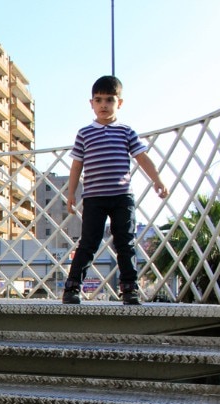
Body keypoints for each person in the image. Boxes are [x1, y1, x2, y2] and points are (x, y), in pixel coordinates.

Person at [62, 75, 168, 305]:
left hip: (122, 197)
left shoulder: (126, 132)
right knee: (88, 242)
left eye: (109, 100)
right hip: (94, 198)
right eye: (98, 100)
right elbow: (76, 165)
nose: (103, 105)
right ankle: (72, 287)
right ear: (91, 103)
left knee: (125, 242)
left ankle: (129, 289)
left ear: (119, 103)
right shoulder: (84, 133)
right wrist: (70, 193)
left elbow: (142, 157)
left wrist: (157, 180)